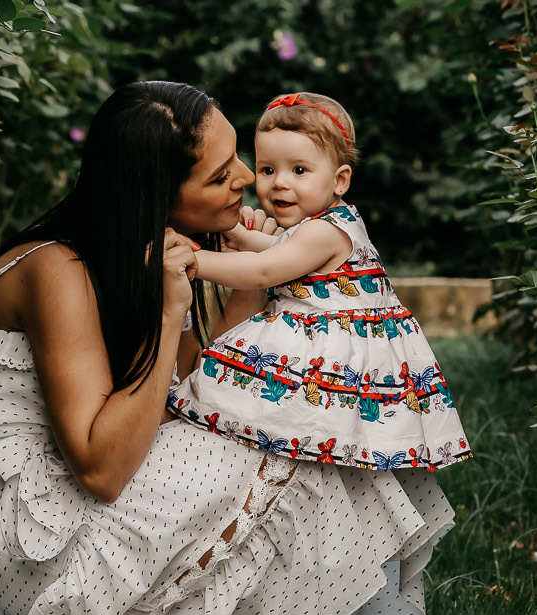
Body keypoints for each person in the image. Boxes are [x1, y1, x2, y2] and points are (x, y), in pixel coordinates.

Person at [0, 81, 455, 615]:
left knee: (301, 421)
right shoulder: (58, 269)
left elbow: (191, 393)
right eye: (219, 175)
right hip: (34, 535)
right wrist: (165, 310)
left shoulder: (144, 248)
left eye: (237, 156)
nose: (245, 179)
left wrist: (254, 283)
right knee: (296, 433)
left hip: (90, 484)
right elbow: (101, 469)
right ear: (158, 193)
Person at [169, 92, 472, 473]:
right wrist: (243, 239)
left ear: (340, 180)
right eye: (267, 170)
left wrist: (194, 258)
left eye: (299, 170)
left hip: (333, 348)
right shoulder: (329, 225)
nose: (279, 183)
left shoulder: (323, 233)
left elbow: (265, 270)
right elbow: (283, 252)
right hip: (339, 341)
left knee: (278, 400)